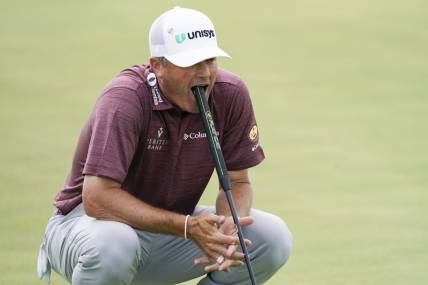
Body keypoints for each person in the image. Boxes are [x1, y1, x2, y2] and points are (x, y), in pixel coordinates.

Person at [37, 6, 292, 285]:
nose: (205, 74)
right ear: (157, 65)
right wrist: (187, 227)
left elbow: (238, 180)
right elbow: (97, 199)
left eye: (210, 60)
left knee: (271, 238)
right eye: (191, 63)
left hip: (171, 231)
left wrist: (231, 223)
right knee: (115, 244)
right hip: (88, 228)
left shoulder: (229, 94)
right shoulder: (126, 98)